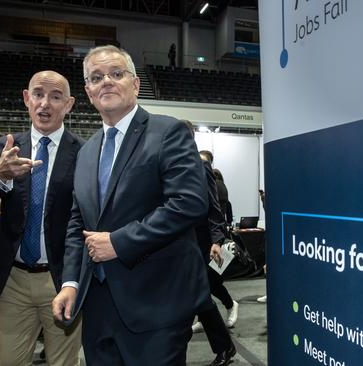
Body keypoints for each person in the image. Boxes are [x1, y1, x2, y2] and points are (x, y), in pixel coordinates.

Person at [52, 45, 211, 365]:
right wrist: (70, 282)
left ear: (135, 84)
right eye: (96, 77)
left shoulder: (168, 131)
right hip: (97, 307)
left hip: (157, 304)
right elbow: (76, 222)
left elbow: (189, 202)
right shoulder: (86, 151)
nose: (106, 82)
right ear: (88, 92)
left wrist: (119, 242)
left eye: (116, 74)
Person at [0, 70, 84, 365]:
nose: (45, 104)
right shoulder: (4, 147)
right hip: (13, 279)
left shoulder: (85, 152)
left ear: (69, 104)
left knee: (63, 362)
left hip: (61, 279)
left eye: (55, 97)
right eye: (38, 94)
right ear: (26, 98)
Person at [184, 121, 237, 366]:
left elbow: (214, 209)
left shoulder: (200, 166)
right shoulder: (168, 164)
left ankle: (225, 346)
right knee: (193, 295)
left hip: (201, 243)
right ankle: (224, 347)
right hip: (179, 243)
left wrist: (216, 240)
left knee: (199, 295)